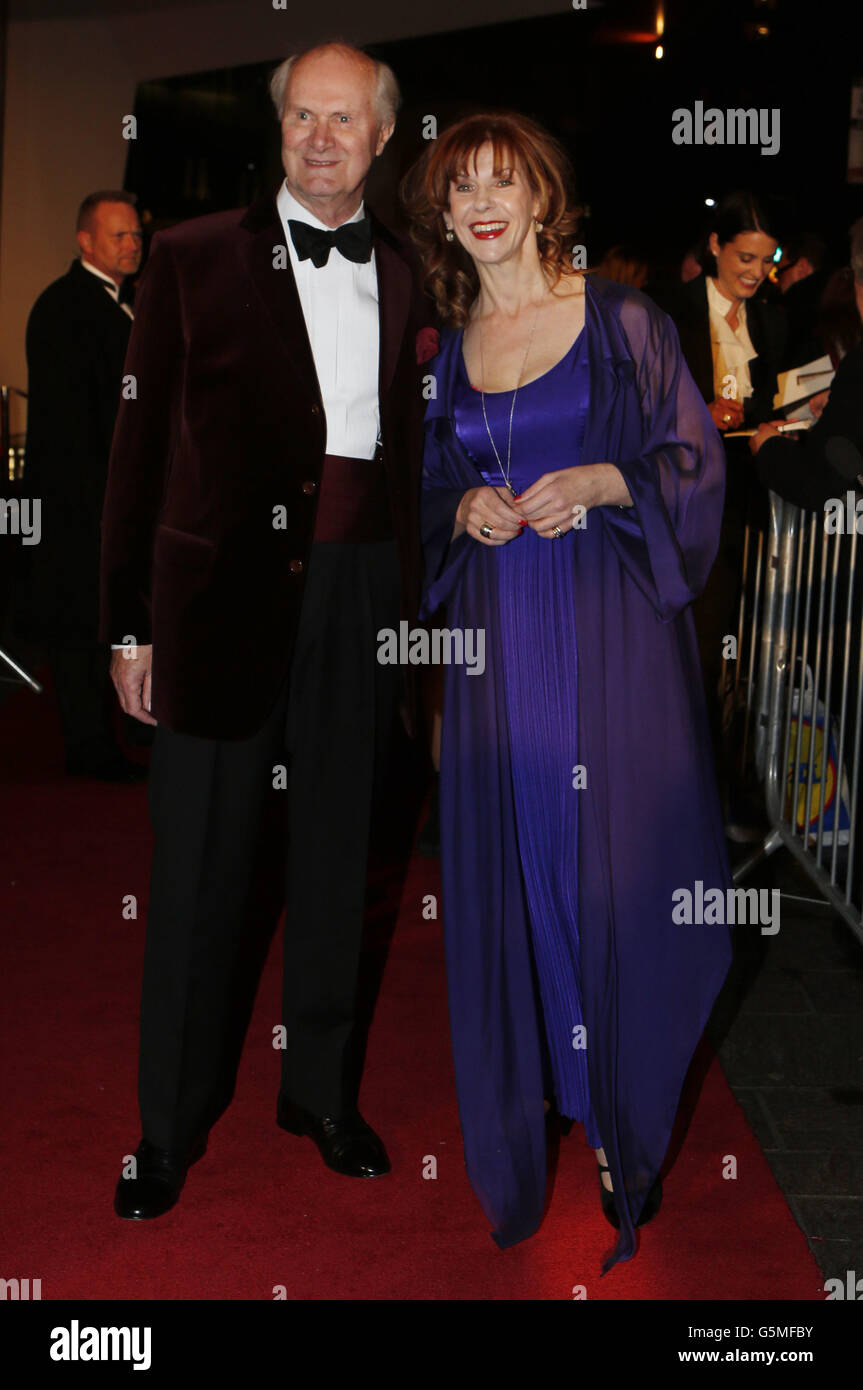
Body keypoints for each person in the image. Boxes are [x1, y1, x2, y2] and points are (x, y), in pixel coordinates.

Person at [100, 42, 428, 1220]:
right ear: (280, 126)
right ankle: (169, 1126)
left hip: (360, 593)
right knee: (197, 872)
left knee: (340, 856)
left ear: (381, 138)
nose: (323, 136)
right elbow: (133, 459)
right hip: (216, 606)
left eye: (346, 119)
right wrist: (129, 627)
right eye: (304, 116)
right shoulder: (188, 258)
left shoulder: (407, 270)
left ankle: (320, 1094)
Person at [402, 112, 733, 1273]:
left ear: (544, 198)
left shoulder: (622, 320)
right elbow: (429, 478)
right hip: (499, 660)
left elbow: (694, 465)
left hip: (606, 640)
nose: (482, 204)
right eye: (460, 190)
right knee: (526, 879)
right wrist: (459, 508)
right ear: (442, 216)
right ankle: (545, 1110)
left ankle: (621, 1130)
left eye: (504, 182)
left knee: (617, 886)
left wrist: (602, 477)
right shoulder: (449, 349)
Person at [21, 191, 145, 781]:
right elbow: (72, 424)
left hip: (117, 497)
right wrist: (107, 498)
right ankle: (88, 746)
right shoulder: (62, 308)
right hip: (78, 501)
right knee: (79, 625)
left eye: (135, 235)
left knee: (115, 617)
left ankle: (122, 729)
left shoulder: (134, 302)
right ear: (86, 242)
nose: (132, 244)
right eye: (118, 236)